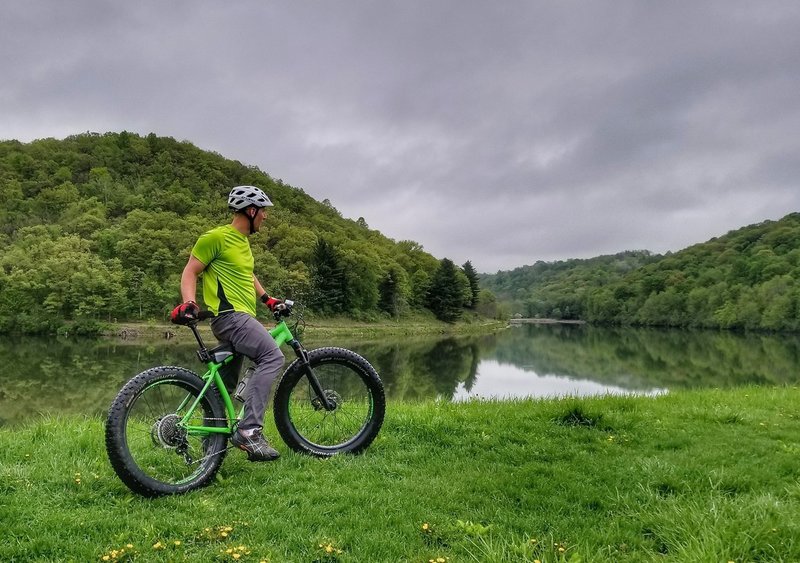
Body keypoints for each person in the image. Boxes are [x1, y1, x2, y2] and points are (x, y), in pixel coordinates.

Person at [171, 185, 285, 462]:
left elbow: (248, 274)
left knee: (224, 384)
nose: (265, 217)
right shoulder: (216, 237)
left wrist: (267, 298)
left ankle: (212, 448)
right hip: (232, 317)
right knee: (272, 356)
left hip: (241, 317)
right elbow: (191, 270)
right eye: (263, 211)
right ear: (250, 210)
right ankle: (250, 432)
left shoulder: (243, 244)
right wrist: (189, 302)